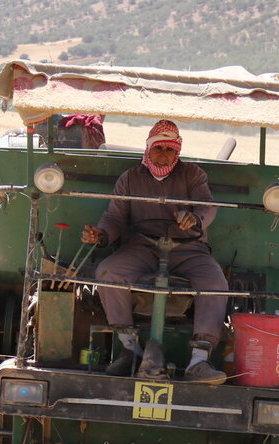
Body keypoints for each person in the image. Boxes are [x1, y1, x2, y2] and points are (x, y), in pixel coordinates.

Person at [81, 120, 228, 384]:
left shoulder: (193, 175)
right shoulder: (130, 178)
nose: (163, 154)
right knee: (108, 271)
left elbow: (207, 207)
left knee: (215, 282)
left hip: (188, 249)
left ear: (177, 151)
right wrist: (101, 235)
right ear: (148, 148)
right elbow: (114, 218)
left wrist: (194, 219)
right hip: (142, 247)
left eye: (169, 149)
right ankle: (130, 350)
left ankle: (198, 361)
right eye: (157, 148)